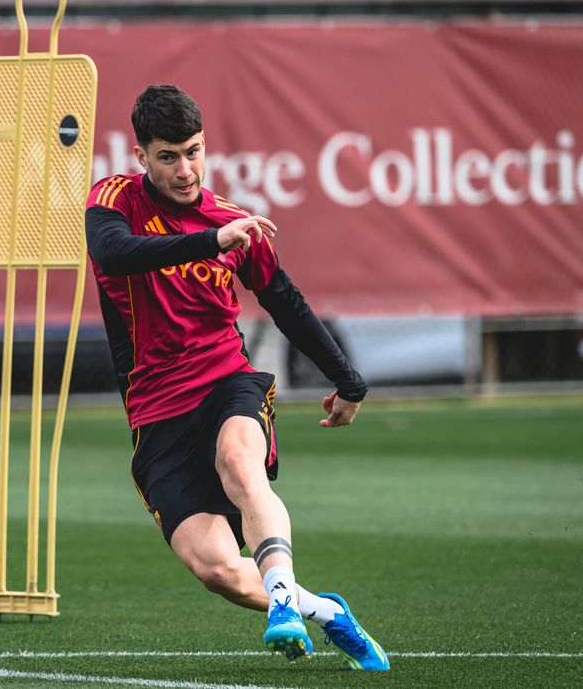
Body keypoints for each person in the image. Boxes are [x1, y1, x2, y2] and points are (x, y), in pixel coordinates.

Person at [84, 84, 388, 670]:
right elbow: (115, 253)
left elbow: (286, 302)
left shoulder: (233, 223)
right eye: (168, 156)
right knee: (218, 569)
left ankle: (281, 606)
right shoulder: (114, 200)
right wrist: (209, 240)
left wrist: (350, 383)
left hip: (227, 380)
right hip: (155, 410)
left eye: (193, 151)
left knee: (240, 464)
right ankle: (325, 612)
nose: (185, 169)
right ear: (142, 156)